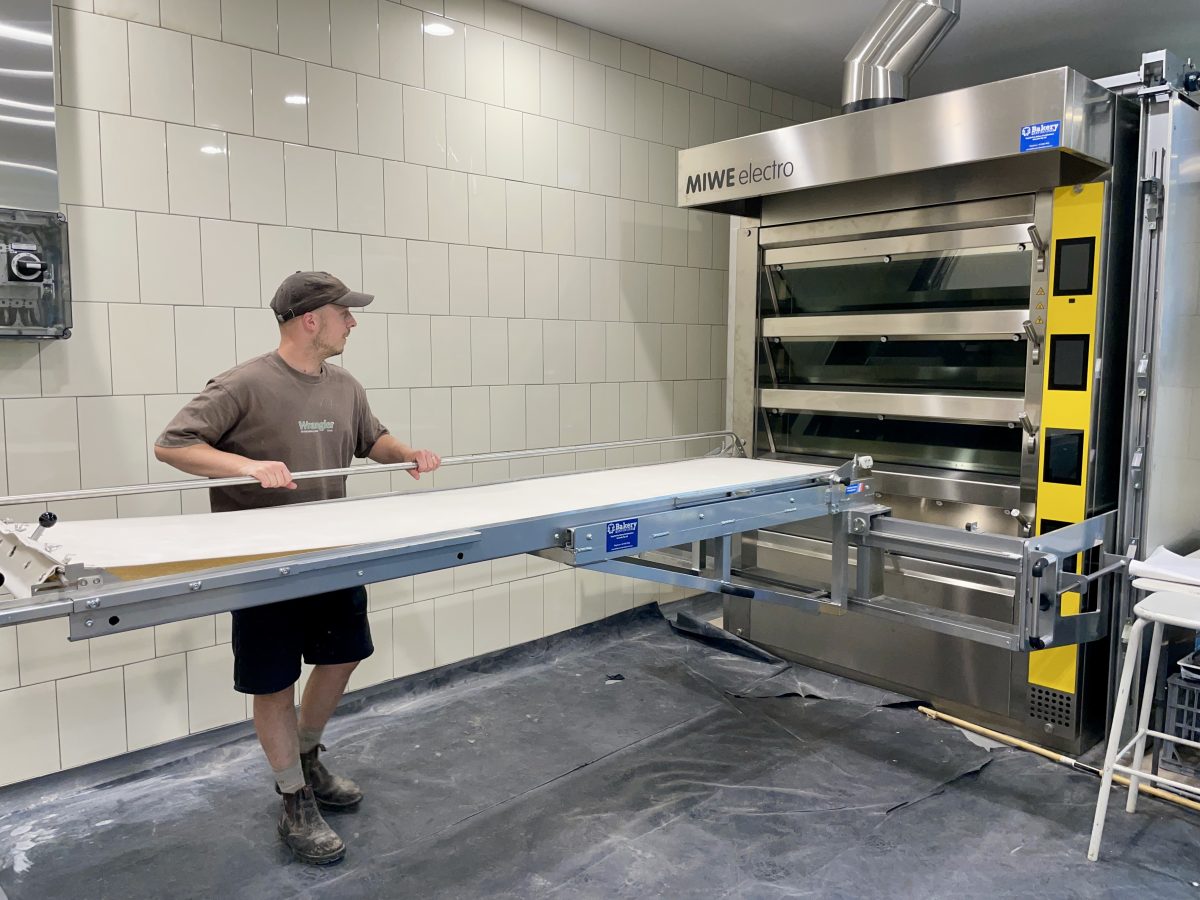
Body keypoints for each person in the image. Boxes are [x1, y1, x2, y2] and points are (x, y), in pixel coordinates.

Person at [154, 271, 441, 865]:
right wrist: (244, 467)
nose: (352, 323)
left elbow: (372, 439)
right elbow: (173, 444)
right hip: (264, 563)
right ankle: (293, 798)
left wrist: (406, 453)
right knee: (274, 680)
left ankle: (307, 756)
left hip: (331, 553)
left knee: (344, 654)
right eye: (345, 313)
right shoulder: (245, 383)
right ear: (311, 319)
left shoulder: (345, 386)